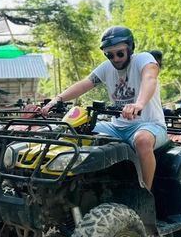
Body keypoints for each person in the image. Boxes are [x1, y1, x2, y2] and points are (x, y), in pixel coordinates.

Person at [42, 26, 167, 190]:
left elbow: (150, 78)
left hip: (150, 125)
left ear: (130, 48)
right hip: (116, 127)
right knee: (75, 131)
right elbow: (83, 85)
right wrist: (56, 100)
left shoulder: (144, 59)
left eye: (120, 53)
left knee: (141, 140)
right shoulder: (106, 67)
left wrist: (139, 104)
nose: (115, 58)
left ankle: (145, 193)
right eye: (109, 54)